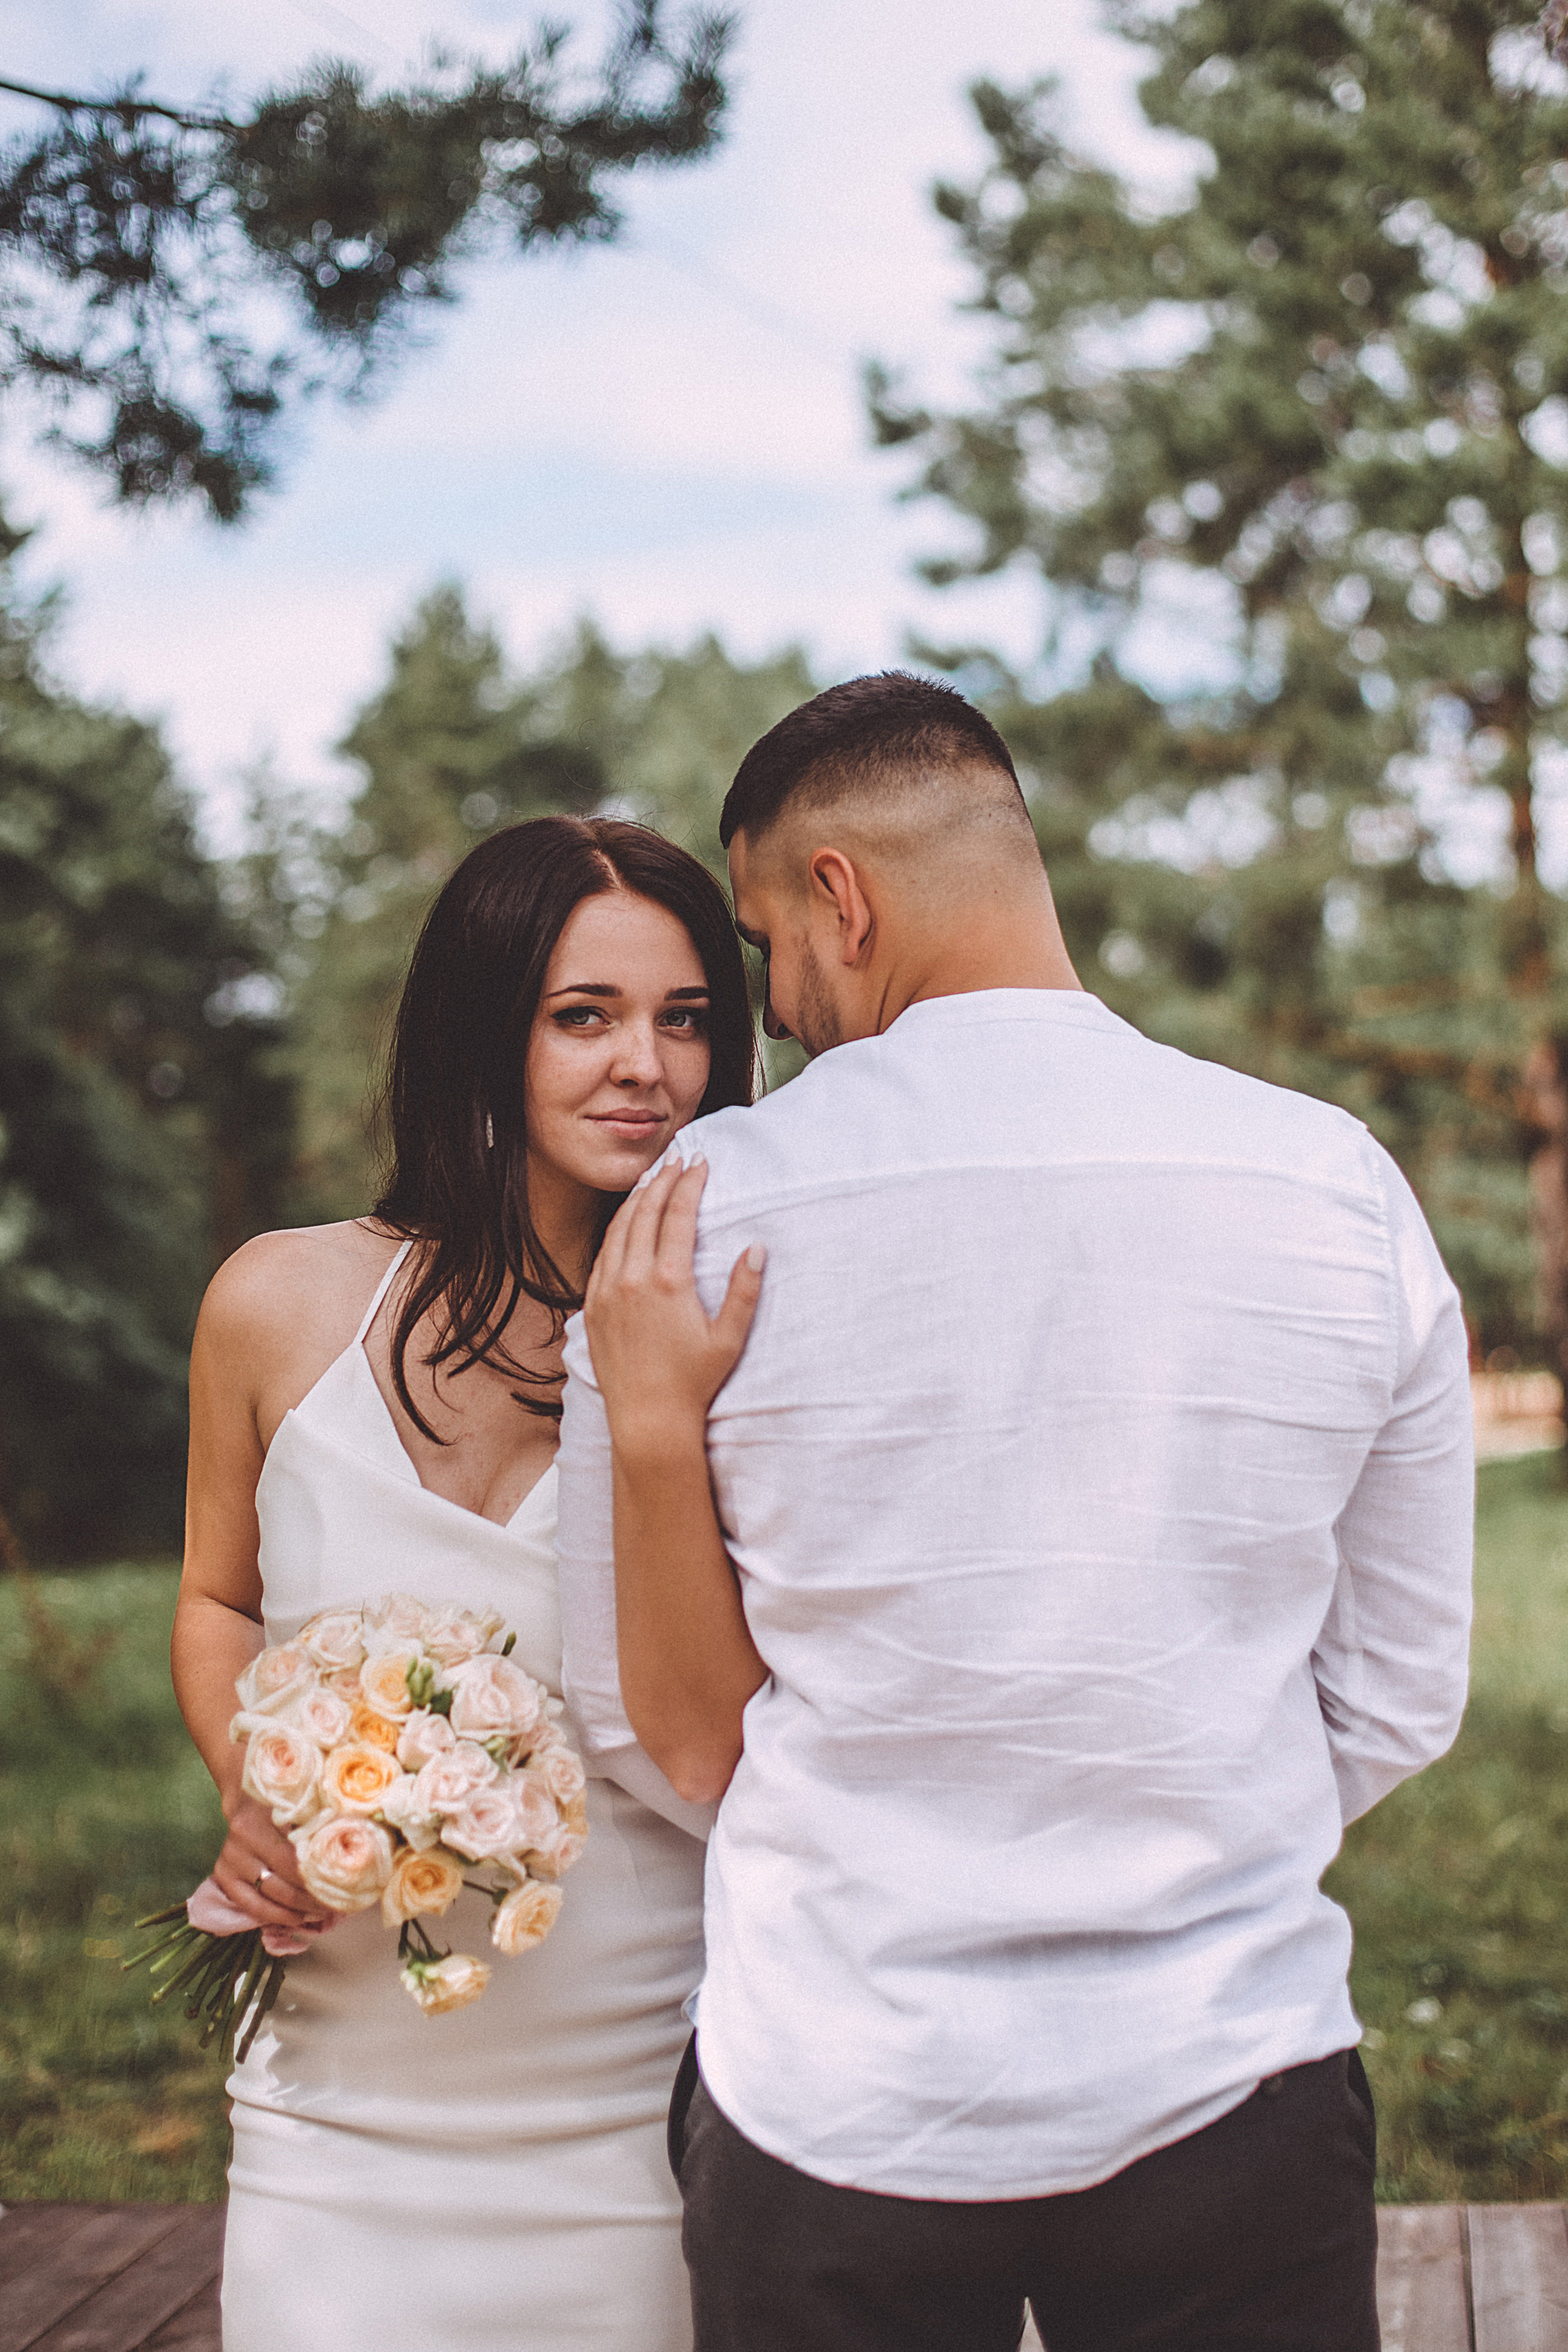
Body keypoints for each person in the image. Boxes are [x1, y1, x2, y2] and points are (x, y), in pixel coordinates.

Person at [555, 673, 1475, 2352]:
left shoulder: (693, 1221)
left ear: (843, 895)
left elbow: (668, 1740)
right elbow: (1403, 1690)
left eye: (766, 949)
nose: (778, 1008)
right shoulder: (1333, 1183)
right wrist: (1179, 1819)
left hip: (836, 2092)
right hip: (1232, 2067)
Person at [172, 816, 753, 2352]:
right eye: (587, 1015)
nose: (648, 1064)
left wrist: (663, 1421)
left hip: (647, 2106)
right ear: (480, 1028)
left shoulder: (736, 1332)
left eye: (686, 1020)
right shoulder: (274, 1303)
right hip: (334, 2118)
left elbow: (746, 1727)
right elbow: (216, 1600)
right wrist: (258, 1784)